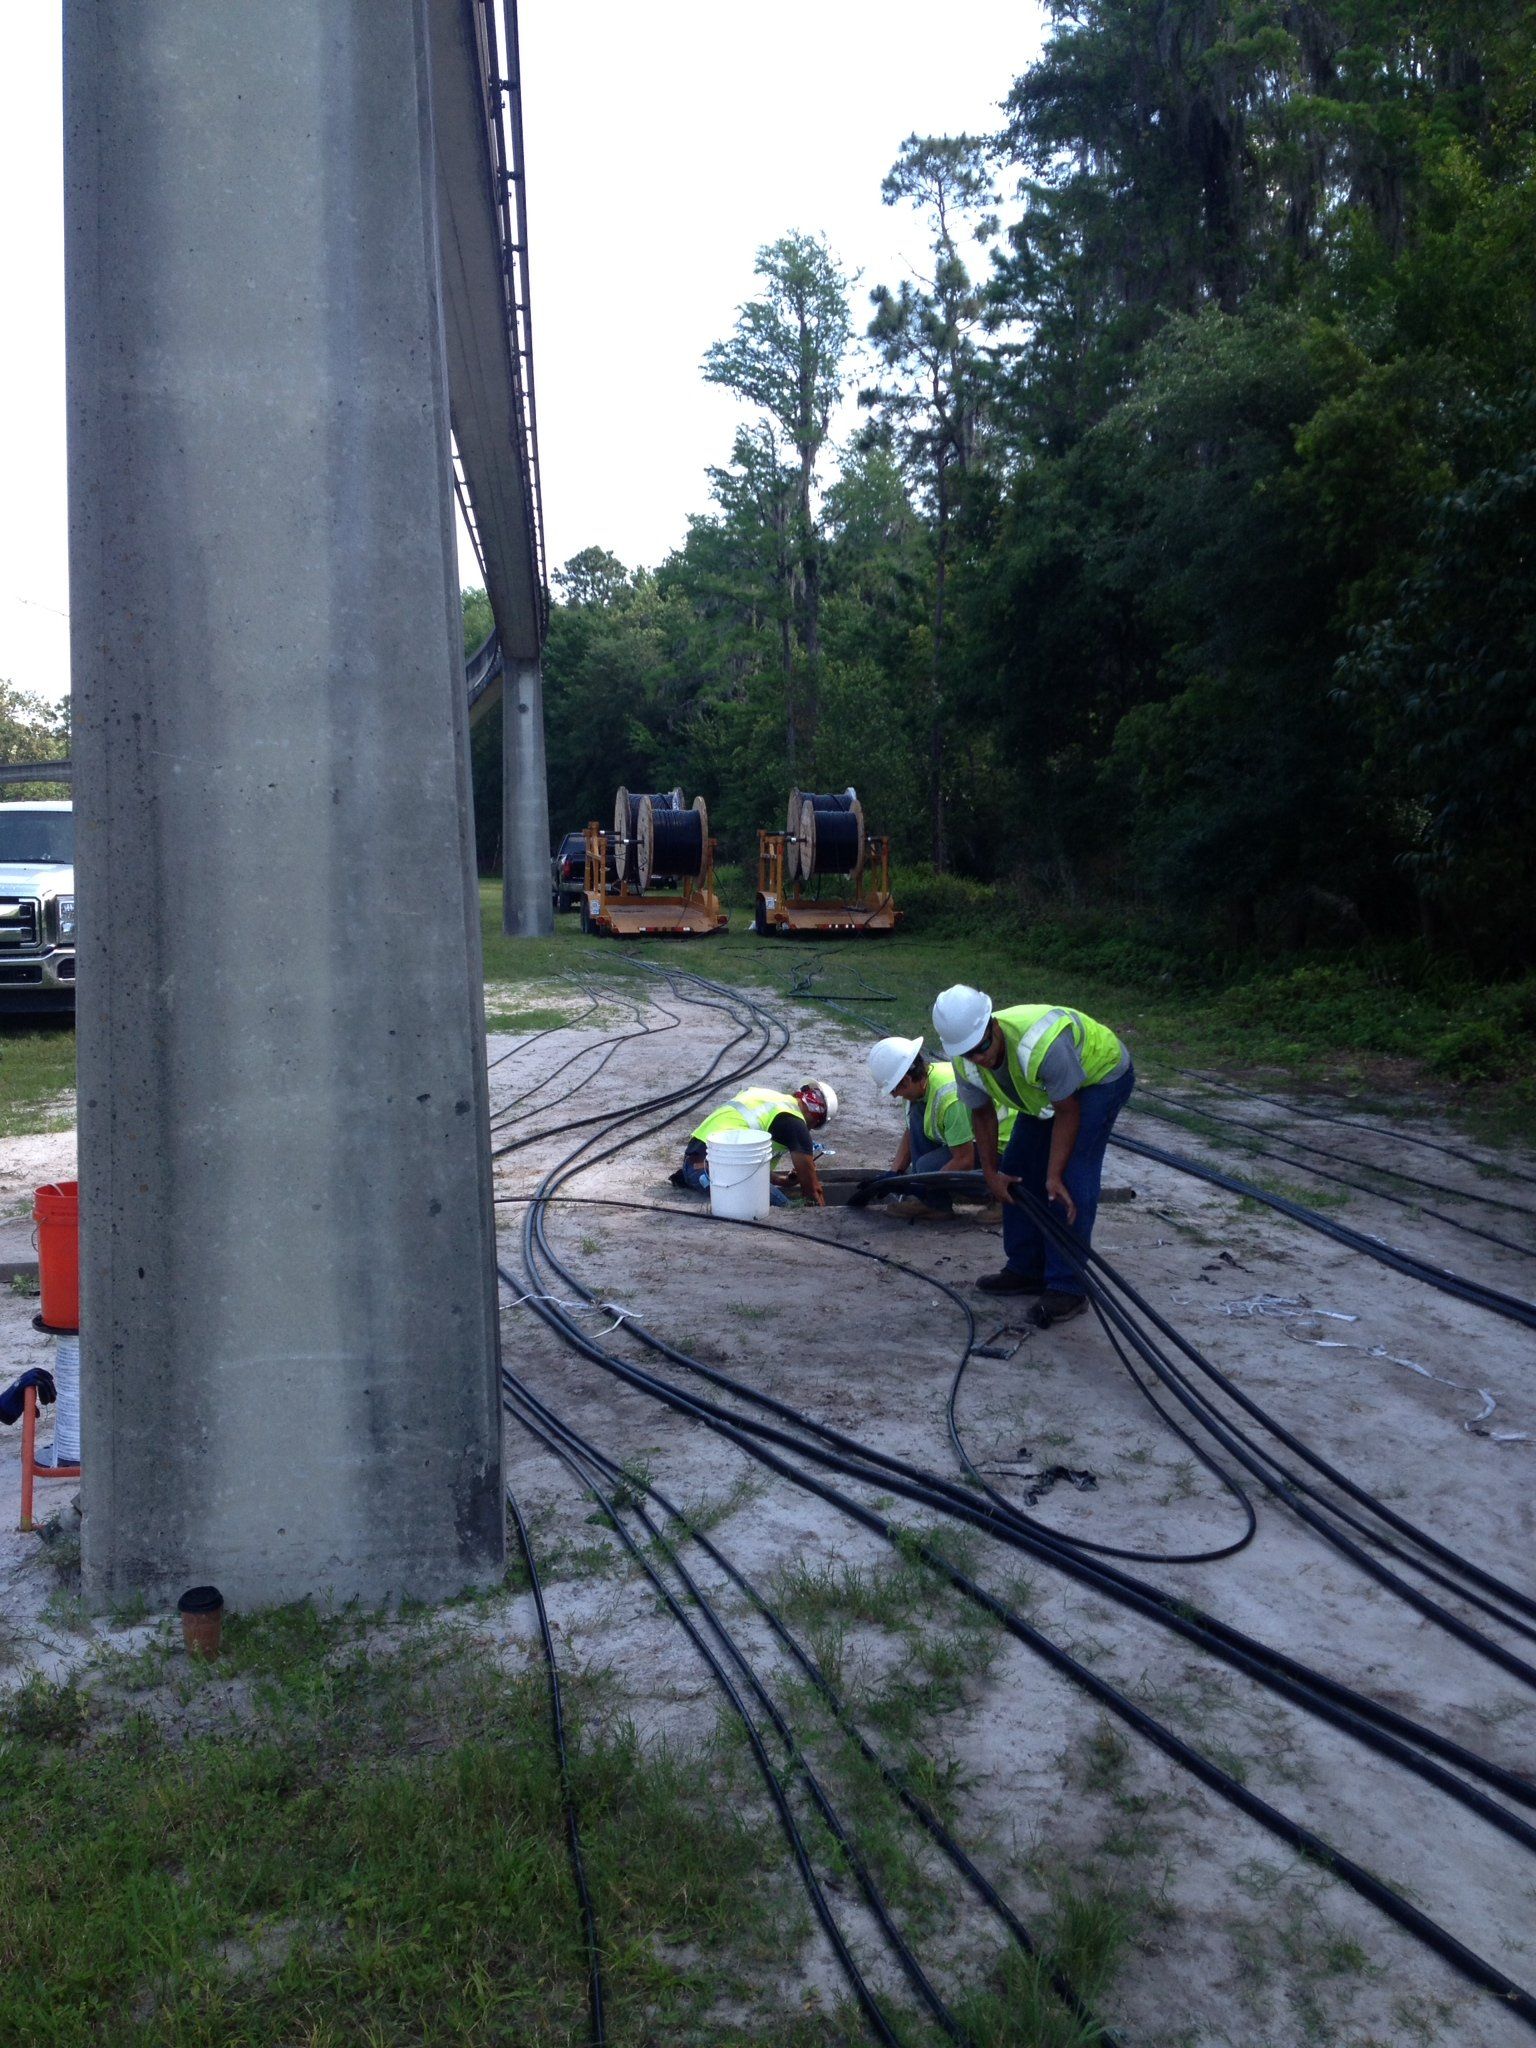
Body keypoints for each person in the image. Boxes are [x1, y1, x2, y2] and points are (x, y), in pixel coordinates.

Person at [932, 986, 1134, 1324]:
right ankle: (1025, 1269)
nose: (979, 1059)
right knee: (1017, 1170)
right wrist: (991, 1173)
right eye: (969, 1053)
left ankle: (1068, 1288)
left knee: (1071, 1176)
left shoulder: (1041, 1045)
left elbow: (1067, 1111)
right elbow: (981, 1114)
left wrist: (1053, 1174)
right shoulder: (965, 1061)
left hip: (1100, 1079)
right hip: (1044, 1092)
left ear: (994, 1026)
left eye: (983, 1047)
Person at [676, 1080, 837, 1207]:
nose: (809, 1130)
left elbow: (742, 1159)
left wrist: (779, 1180)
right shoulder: (795, 1123)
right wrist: (822, 1217)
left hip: (693, 1167)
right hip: (713, 1174)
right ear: (817, 1118)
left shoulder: (770, 1100)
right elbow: (812, 1191)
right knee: (788, 1210)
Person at [867, 1036, 979, 1189]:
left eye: (894, 1089)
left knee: (926, 1168)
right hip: (968, 1144)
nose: (894, 1095)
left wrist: (923, 1186)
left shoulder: (951, 1097)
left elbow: (965, 1161)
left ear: (906, 1080)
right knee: (917, 1115)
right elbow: (911, 1132)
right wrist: (893, 1174)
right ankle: (933, 1205)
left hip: (995, 1149)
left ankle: (990, 1197)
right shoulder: (917, 1088)